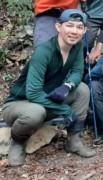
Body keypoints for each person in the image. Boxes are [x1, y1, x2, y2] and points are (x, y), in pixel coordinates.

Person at [2, 9, 95, 167]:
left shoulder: (77, 46)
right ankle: (18, 142)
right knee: (35, 112)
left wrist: (67, 85)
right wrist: (66, 111)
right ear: (58, 27)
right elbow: (32, 93)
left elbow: (78, 71)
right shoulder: (44, 51)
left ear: (85, 30)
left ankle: (74, 140)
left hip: (47, 100)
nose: (74, 31)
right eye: (69, 26)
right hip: (20, 104)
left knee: (82, 89)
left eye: (79, 27)